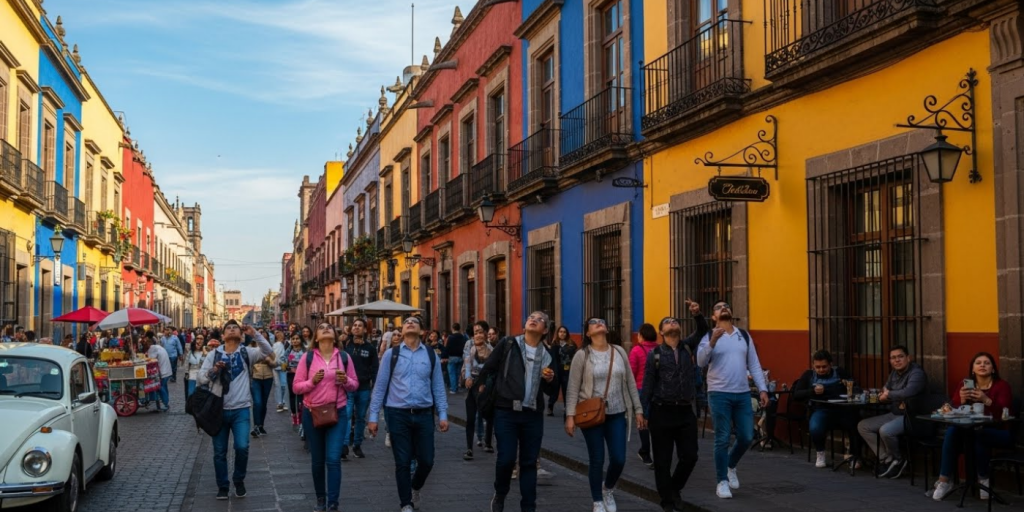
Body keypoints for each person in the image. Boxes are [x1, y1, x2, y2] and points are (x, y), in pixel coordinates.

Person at [475, 311, 558, 512]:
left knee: (529, 463)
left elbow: (551, 390)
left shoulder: (547, 354)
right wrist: (481, 391)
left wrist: (550, 379)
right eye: (531, 317)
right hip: (506, 411)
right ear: (524, 325)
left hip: (532, 414)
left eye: (540, 320)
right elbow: (489, 368)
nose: (534, 319)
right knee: (506, 459)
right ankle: (500, 493)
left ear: (545, 330)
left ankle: (528, 506)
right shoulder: (509, 344)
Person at [368, 316, 449, 512]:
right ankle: (406, 503)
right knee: (402, 461)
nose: (410, 323)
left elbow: (438, 386)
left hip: (424, 414)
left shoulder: (430, 355)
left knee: (427, 460)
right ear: (402, 331)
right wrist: (372, 417)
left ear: (422, 331)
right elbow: (380, 387)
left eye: (414, 321)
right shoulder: (391, 354)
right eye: (406, 322)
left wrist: (443, 413)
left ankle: (415, 487)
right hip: (398, 414)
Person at [565, 317, 644, 512]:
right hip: (591, 414)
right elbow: (573, 387)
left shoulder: (619, 352)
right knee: (597, 458)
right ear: (588, 333)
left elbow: (631, 383)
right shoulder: (582, 355)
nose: (599, 323)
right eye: (594, 322)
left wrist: (638, 409)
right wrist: (569, 415)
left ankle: (608, 488)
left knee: (619, 459)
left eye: (602, 321)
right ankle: (598, 501)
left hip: (617, 413)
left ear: (606, 329)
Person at [696, 301, 769, 499]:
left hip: (742, 393)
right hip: (719, 393)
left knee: (746, 436)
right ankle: (722, 481)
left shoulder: (743, 335)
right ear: (713, 317)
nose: (724, 308)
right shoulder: (709, 336)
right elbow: (700, 361)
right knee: (722, 437)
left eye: (726, 306)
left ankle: (730, 464)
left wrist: (762, 389)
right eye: (719, 307)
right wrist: (712, 343)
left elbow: (754, 363)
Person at [640, 302, 708, 512]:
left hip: (685, 411)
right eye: (668, 322)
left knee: (690, 456)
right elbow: (648, 384)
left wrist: (697, 315)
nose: (672, 323)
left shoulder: (687, 346)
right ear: (661, 331)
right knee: (662, 460)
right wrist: (642, 412)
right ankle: (667, 502)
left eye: (675, 321)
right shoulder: (655, 355)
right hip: (662, 412)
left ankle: (674, 489)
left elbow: (703, 331)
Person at [197, 320, 274, 500]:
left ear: (241, 334)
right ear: (222, 335)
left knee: (242, 447)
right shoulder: (214, 354)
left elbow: (268, 351)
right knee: (219, 451)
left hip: (241, 410)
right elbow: (200, 378)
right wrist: (213, 371)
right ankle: (223, 486)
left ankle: (238, 479)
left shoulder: (247, 352)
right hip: (218, 410)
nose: (232, 329)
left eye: (235, 328)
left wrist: (255, 334)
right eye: (228, 328)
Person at [929, 352, 1013, 501]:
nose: (982, 365)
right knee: (953, 430)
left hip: (1000, 432)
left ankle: (984, 480)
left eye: (986, 363)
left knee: (979, 435)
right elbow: (953, 407)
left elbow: (1005, 414)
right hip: (971, 431)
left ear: (993, 369)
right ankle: (944, 481)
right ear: (972, 369)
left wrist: (986, 400)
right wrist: (961, 400)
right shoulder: (965, 384)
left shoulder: (1002, 386)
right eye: (978, 362)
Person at [293, 322, 360, 512]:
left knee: (332, 459)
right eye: (321, 327)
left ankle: (333, 502)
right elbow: (296, 386)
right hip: (312, 413)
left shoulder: (344, 357)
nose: (325, 328)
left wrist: (345, 380)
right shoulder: (308, 358)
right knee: (317, 460)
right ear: (316, 336)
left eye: (329, 327)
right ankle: (320, 499)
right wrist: (312, 382)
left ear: (334, 335)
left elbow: (355, 384)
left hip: (337, 412)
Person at [856, 345, 928, 479]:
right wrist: (880, 395)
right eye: (893, 358)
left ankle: (898, 459)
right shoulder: (894, 374)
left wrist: (889, 395)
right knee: (863, 426)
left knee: (886, 430)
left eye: (900, 357)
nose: (897, 360)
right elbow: (885, 391)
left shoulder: (917, 373)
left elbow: (909, 392)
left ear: (908, 358)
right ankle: (887, 458)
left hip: (911, 416)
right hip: (894, 413)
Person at [792, 349, 857, 468]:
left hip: (841, 409)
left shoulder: (840, 372)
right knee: (815, 427)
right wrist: (812, 391)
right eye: (818, 367)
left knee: (856, 422)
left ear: (831, 365)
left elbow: (855, 387)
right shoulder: (808, 375)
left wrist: (844, 387)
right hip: (820, 410)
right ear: (813, 366)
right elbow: (796, 394)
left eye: (824, 367)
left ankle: (854, 455)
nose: (821, 370)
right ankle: (820, 452)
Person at [344, 317, 379, 459]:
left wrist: (375, 385)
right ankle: (344, 445)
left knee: (360, 417)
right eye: (355, 325)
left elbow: (375, 367)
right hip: (347, 386)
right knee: (346, 415)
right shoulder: (345, 345)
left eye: (360, 326)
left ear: (365, 330)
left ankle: (357, 445)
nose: (357, 327)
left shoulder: (370, 348)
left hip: (364, 387)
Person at [463, 320, 495, 459]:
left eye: (481, 332)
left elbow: (492, 369)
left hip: (486, 386)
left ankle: (488, 441)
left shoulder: (491, 350)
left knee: (488, 415)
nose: (478, 335)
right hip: (473, 387)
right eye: (476, 333)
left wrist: (485, 382)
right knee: (471, 418)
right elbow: (467, 363)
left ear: (486, 334)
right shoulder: (470, 348)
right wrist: (467, 377)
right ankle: (469, 448)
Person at [629, 323, 658, 466]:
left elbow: (631, 373)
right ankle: (653, 452)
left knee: (643, 421)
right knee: (655, 422)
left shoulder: (636, 350)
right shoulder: (660, 349)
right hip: (658, 390)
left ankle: (645, 451)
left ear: (641, 335)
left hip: (641, 390)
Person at [249, 336, 277, 438]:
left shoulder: (270, 350)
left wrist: (269, 361)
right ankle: (256, 426)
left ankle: (261, 425)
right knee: (257, 402)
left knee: (263, 403)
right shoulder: (251, 349)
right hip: (255, 378)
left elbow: (275, 363)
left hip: (268, 378)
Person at [282, 333, 308, 430]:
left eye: (297, 339)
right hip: (291, 375)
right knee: (292, 395)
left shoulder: (305, 351)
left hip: (302, 376)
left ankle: (301, 416)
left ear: (301, 340)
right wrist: (285, 366)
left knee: (301, 396)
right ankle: (294, 414)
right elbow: (283, 361)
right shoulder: (288, 351)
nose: (295, 341)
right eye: (293, 339)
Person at [143, 332, 172, 412]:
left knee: (160, 387)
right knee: (164, 387)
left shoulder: (152, 349)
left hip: (163, 372)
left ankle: (165, 403)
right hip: (167, 371)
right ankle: (165, 402)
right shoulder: (158, 347)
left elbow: (150, 360)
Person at [555, 326, 576, 420]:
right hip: (557, 369)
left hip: (567, 369)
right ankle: (550, 406)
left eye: (564, 332)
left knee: (566, 387)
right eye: (560, 332)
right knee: (554, 388)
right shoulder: (554, 344)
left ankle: (566, 406)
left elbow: (575, 356)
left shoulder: (572, 344)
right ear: (558, 333)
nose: (562, 333)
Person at [446, 323, 468, 394]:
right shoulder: (463, 337)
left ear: (452, 328)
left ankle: (453, 388)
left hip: (452, 357)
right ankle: (457, 387)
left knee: (452, 373)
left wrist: (445, 356)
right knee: (458, 373)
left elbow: (448, 347)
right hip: (460, 357)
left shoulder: (450, 337)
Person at [185, 335, 208, 399]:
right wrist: (186, 372)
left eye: (201, 339)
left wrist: (204, 354)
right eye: (197, 338)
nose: (199, 341)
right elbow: (186, 363)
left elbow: (204, 364)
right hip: (192, 374)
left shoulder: (206, 353)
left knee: (201, 393)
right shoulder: (190, 352)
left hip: (202, 375)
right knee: (191, 392)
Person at [272, 330, 289, 413]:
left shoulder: (285, 344)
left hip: (282, 366)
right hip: (277, 366)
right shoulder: (276, 345)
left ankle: (283, 401)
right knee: (279, 385)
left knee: (283, 384)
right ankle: (280, 402)